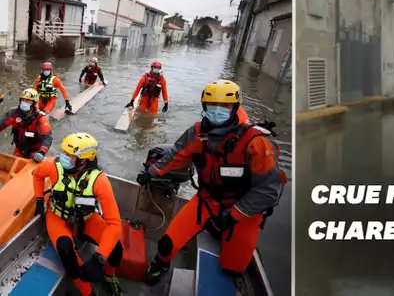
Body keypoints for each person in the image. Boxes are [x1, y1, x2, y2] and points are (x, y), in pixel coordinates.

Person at [137, 79, 287, 285]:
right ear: (204, 106)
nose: (218, 110)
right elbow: (176, 155)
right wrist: (152, 172)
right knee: (166, 243)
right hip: (208, 199)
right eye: (212, 105)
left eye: (224, 106)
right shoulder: (198, 133)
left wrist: (230, 217)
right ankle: (161, 263)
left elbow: (268, 192)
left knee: (233, 267)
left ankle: (234, 262)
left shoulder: (257, 142)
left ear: (235, 107)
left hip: (244, 210)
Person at [33, 132, 123, 296]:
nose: (64, 158)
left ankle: (109, 276)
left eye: (70, 155)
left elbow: (115, 224)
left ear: (84, 160)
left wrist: (99, 259)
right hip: (57, 216)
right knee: (66, 252)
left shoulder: (99, 181)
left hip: (86, 219)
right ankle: (88, 293)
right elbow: (37, 175)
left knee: (116, 248)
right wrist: (39, 199)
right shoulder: (54, 165)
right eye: (64, 153)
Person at [0, 89, 51, 161]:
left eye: (28, 101)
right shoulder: (13, 114)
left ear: (34, 103)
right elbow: (1, 125)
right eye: (23, 100)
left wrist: (42, 152)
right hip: (19, 150)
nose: (24, 102)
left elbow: (47, 137)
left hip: (35, 153)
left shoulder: (40, 118)